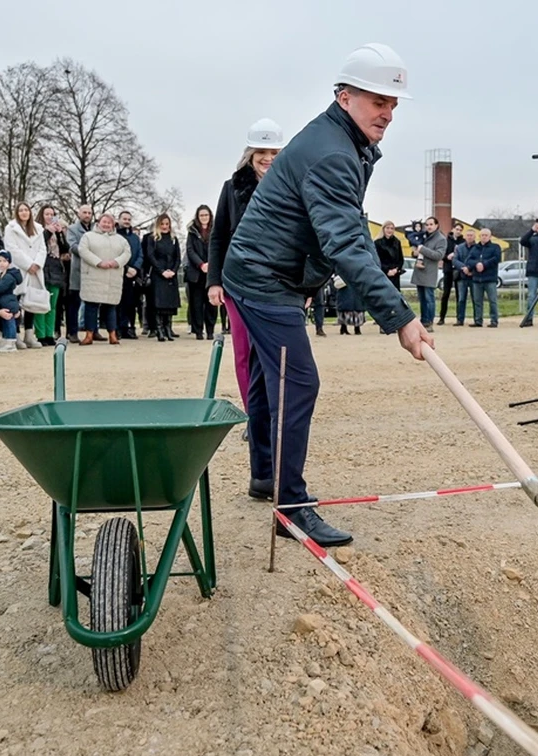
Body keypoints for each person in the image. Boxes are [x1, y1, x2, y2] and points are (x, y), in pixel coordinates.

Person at [222, 42, 430, 546]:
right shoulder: (334, 152)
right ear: (344, 97)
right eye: (378, 101)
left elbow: (344, 230)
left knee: (270, 379)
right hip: (264, 280)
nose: (388, 113)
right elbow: (345, 244)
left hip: (262, 272)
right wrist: (400, 318)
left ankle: (264, 476)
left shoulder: (342, 142)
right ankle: (290, 506)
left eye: (393, 103)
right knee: (298, 382)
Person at [208, 118, 286, 414]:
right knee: (244, 350)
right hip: (237, 281)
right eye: (261, 152)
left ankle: (275, 412)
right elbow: (218, 236)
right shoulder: (232, 188)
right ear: (250, 155)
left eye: (274, 152)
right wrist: (214, 281)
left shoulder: (292, 188)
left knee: (275, 352)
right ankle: (254, 414)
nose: (268, 158)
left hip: (278, 283)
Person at [77, 212, 130, 345]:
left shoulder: (121, 240)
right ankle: (89, 335)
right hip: (93, 276)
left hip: (112, 277)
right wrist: (99, 262)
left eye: (109, 222)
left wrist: (116, 262)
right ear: (98, 223)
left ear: (113, 225)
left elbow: (127, 253)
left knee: (111, 306)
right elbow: (83, 251)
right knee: (91, 306)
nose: (106, 224)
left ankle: (112, 334)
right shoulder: (88, 236)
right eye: (104, 222)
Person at [3, 202, 47, 350]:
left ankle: (29, 334)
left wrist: (37, 264)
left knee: (31, 302)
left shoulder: (38, 228)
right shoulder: (11, 228)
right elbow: (12, 249)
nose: (24, 212)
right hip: (19, 269)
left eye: (26, 210)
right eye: (21, 210)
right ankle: (15, 334)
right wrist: (28, 264)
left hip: (35, 270)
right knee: (15, 303)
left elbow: (42, 249)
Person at [142, 213, 181, 342]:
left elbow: (178, 257)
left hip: (171, 275)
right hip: (158, 275)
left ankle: (168, 328)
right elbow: (151, 256)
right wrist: (161, 271)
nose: (164, 226)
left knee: (170, 304)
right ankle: (159, 329)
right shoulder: (152, 239)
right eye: (162, 224)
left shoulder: (174, 239)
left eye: (167, 224)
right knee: (158, 304)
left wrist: (173, 271)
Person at [35, 205, 69, 345]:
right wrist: (48, 232)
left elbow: (65, 249)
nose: (49, 217)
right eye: (47, 214)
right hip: (42, 267)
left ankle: (50, 334)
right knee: (40, 303)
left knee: (52, 305)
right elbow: (38, 245)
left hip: (55, 268)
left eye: (52, 214)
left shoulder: (57, 231)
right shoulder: (37, 229)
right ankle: (40, 334)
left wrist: (60, 233)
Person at [185, 205, 216, 340]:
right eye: (201, 215)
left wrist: (211, 264)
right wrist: (201, 264)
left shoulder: (215, 230)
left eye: (206, 215)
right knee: (196, 303)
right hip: (196, 273)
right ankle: (198, 330)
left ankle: (210, 330)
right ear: (198, 217)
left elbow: (217, 247)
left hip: (211, 272)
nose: (204, 217)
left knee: (211, 303)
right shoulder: (192, 231)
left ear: (210, 216)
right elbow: (190, 250)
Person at [64, 204, 93, 343]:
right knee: (74, 303)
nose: (87, 215)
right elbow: (72, 246)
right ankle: (72, 332)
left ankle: (92, 331)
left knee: (92, 303)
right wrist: (88, 252)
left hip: (93, 271)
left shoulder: (95, 229)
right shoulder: (72, 229)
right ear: (79, 214)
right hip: (77, 270)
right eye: (84, 212)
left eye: (89, 213)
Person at [412, 216, 445, 331]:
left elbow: (438, 255)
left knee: (429, 299)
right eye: (427, 225)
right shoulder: (423, 236)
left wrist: (422, 249)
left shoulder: (441, 239)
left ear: (436, 225)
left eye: (431, 224)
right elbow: (417, 249)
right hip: (419, 271)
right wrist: (414, 253)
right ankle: (424, 321)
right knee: (422, 299)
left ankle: (430, 322)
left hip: (429, 272)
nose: (429, 227)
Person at [116, 210, 144, 339]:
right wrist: (126, 268)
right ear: (119, 220)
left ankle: (129, 328)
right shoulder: (115, 236)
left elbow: (140, 254)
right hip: (119, 273)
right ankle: (118, 329)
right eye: (124, 219)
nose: (127, 221)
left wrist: (135, 268)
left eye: (129, 219)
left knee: (131, 303)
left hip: (133, 275)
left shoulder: (135, 238)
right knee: (119, 303)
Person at [471, 228, 502, 327]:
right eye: (482, 235)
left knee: (492, 301)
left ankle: (494, 320)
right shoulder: (475, 248)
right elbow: (469, 260)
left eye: (486, 235)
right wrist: (476, 264)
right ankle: (478, 320)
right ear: (479, 236)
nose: (484, 237)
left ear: (490, 236)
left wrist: (484, 264)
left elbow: (496, 258)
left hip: (490, 279)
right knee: (477, 301)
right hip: (477, 279)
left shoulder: (495, 247)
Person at [452, 228, 479, 326]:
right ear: (465, 236)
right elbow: (455, 260)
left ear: (475, 237)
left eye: (471, 235)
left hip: (474, 277)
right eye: (468, 235)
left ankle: (477, 320)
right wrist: (463, 268)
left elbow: (479, 260)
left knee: (476, 299)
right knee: (461, 299)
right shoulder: (459, 248)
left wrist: (470, 269)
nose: (469, 237)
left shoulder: (478, 248)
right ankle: (460, 320)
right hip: (462, 277)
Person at [438, 222, 462, 325]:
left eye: (460, 230)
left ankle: (459, 318)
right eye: (457, 229)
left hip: (458, 271)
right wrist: (447, 257)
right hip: (448, 270)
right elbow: (441, 254)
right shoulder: (446, 241)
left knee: (459, 295)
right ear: (453, 229)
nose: (458, 231)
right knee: (445, 294)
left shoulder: (462, 242)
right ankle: (442, 317)